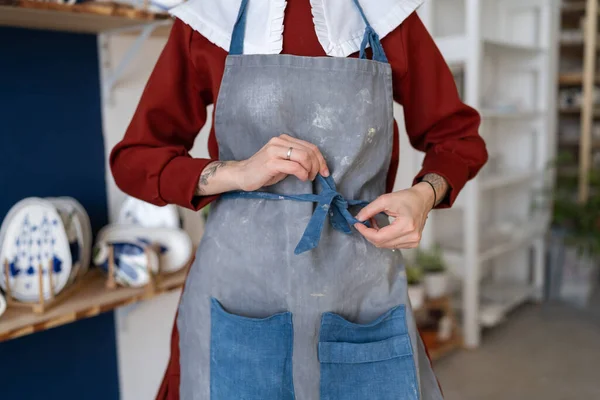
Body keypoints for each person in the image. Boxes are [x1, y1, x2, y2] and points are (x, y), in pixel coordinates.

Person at [111, 0, 487, 398]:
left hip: (359, 288)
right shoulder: (210, 18)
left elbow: (457, 138)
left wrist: (424, 195)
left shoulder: (386, 17)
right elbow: (136, 159)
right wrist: (237, 172)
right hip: (239, 290)